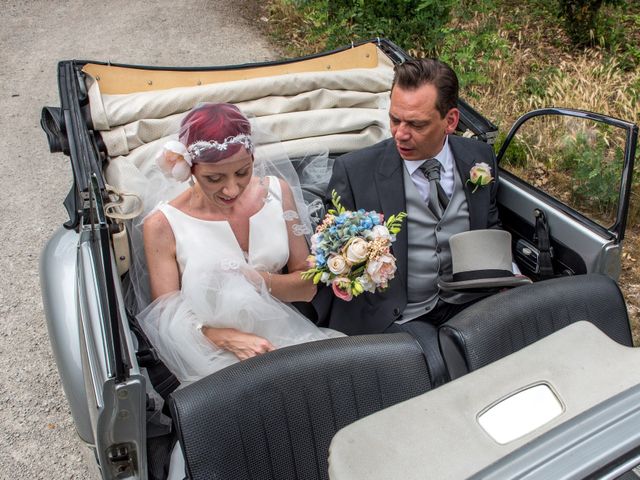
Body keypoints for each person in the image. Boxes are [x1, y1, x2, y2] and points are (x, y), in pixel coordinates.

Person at [139, 103, 340, 386]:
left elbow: (307, 287)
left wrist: (254, 279)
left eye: (243, 172)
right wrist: (229, 339)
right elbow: (165, 321)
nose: (231, 189)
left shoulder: (277, 193)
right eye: (214, 178)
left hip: (289, 335)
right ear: (190, 169)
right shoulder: (162, 224)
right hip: (210, 355)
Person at [316, 58, 501, 341]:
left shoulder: (479, 158)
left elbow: (489, 226)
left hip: (469, 302)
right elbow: (335, 258)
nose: (400, 134)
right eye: (394, 119)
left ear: (450, 121)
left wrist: (506, 279)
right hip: (398, 315)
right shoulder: (355, 172)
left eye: (416, 124)